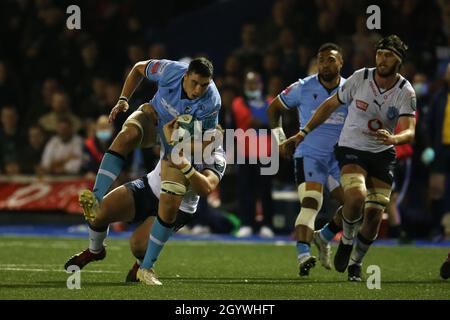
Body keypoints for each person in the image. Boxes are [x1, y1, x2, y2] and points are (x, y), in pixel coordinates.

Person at [284, 35, 416, 281]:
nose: (382, 59)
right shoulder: (361, 78)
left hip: (382, 152)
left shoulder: (405, 90)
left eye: (388, 55)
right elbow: (329, 105)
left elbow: (410, 130)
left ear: (399, 61)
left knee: (374, 214)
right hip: (351, 147)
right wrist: (302, 133)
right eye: (379, 54)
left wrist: (394, 139)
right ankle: (345, 241)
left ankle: (355, 261)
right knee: (355, 197)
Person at [78, 57, 221, 282]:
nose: (199, 89)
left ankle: (144, 266)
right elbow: (137, 69)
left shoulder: (212, 113)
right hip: (158, 153)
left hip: (177, 180)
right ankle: (96, 208)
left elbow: (203, 183)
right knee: (127, 137)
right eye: (195, 83)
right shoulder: (169, 71)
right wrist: (126, 100)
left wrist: (179, 151)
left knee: (138, 244)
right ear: (185, 76)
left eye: (204, 85)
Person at [65, 126, 227, 285]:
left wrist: (185, 166)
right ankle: (95, 251)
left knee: (138, 245)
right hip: (149, 187)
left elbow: (205, 188)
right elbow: (149, 139)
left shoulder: (217, 157)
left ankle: (142, 265)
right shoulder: (180, 130)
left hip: (178, 206)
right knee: (98, 213)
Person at [267, 43, 346, 276]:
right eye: (321, 60)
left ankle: (324, 236)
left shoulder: (351, 89)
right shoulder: (303, 87)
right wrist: (280, 139)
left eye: (331, 59)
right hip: (309, 155)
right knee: (311, 201)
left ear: (341, 62)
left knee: (356, 207)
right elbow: (273, 109)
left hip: (339, 158)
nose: (325, 64)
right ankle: (303, 255)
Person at [232, 71, 275, 238]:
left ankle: (267, 224)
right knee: (245, 190)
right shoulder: (238, 102)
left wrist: (262, 124)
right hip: (245, 151)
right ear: (244, 86)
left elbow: (274, 123)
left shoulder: (271, 102)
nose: (252, 86)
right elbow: (244, 122)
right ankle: (246, 224)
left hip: (267, 152)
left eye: (255, 83)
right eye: (249, 83)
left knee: (265, 190)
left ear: (260, 84)